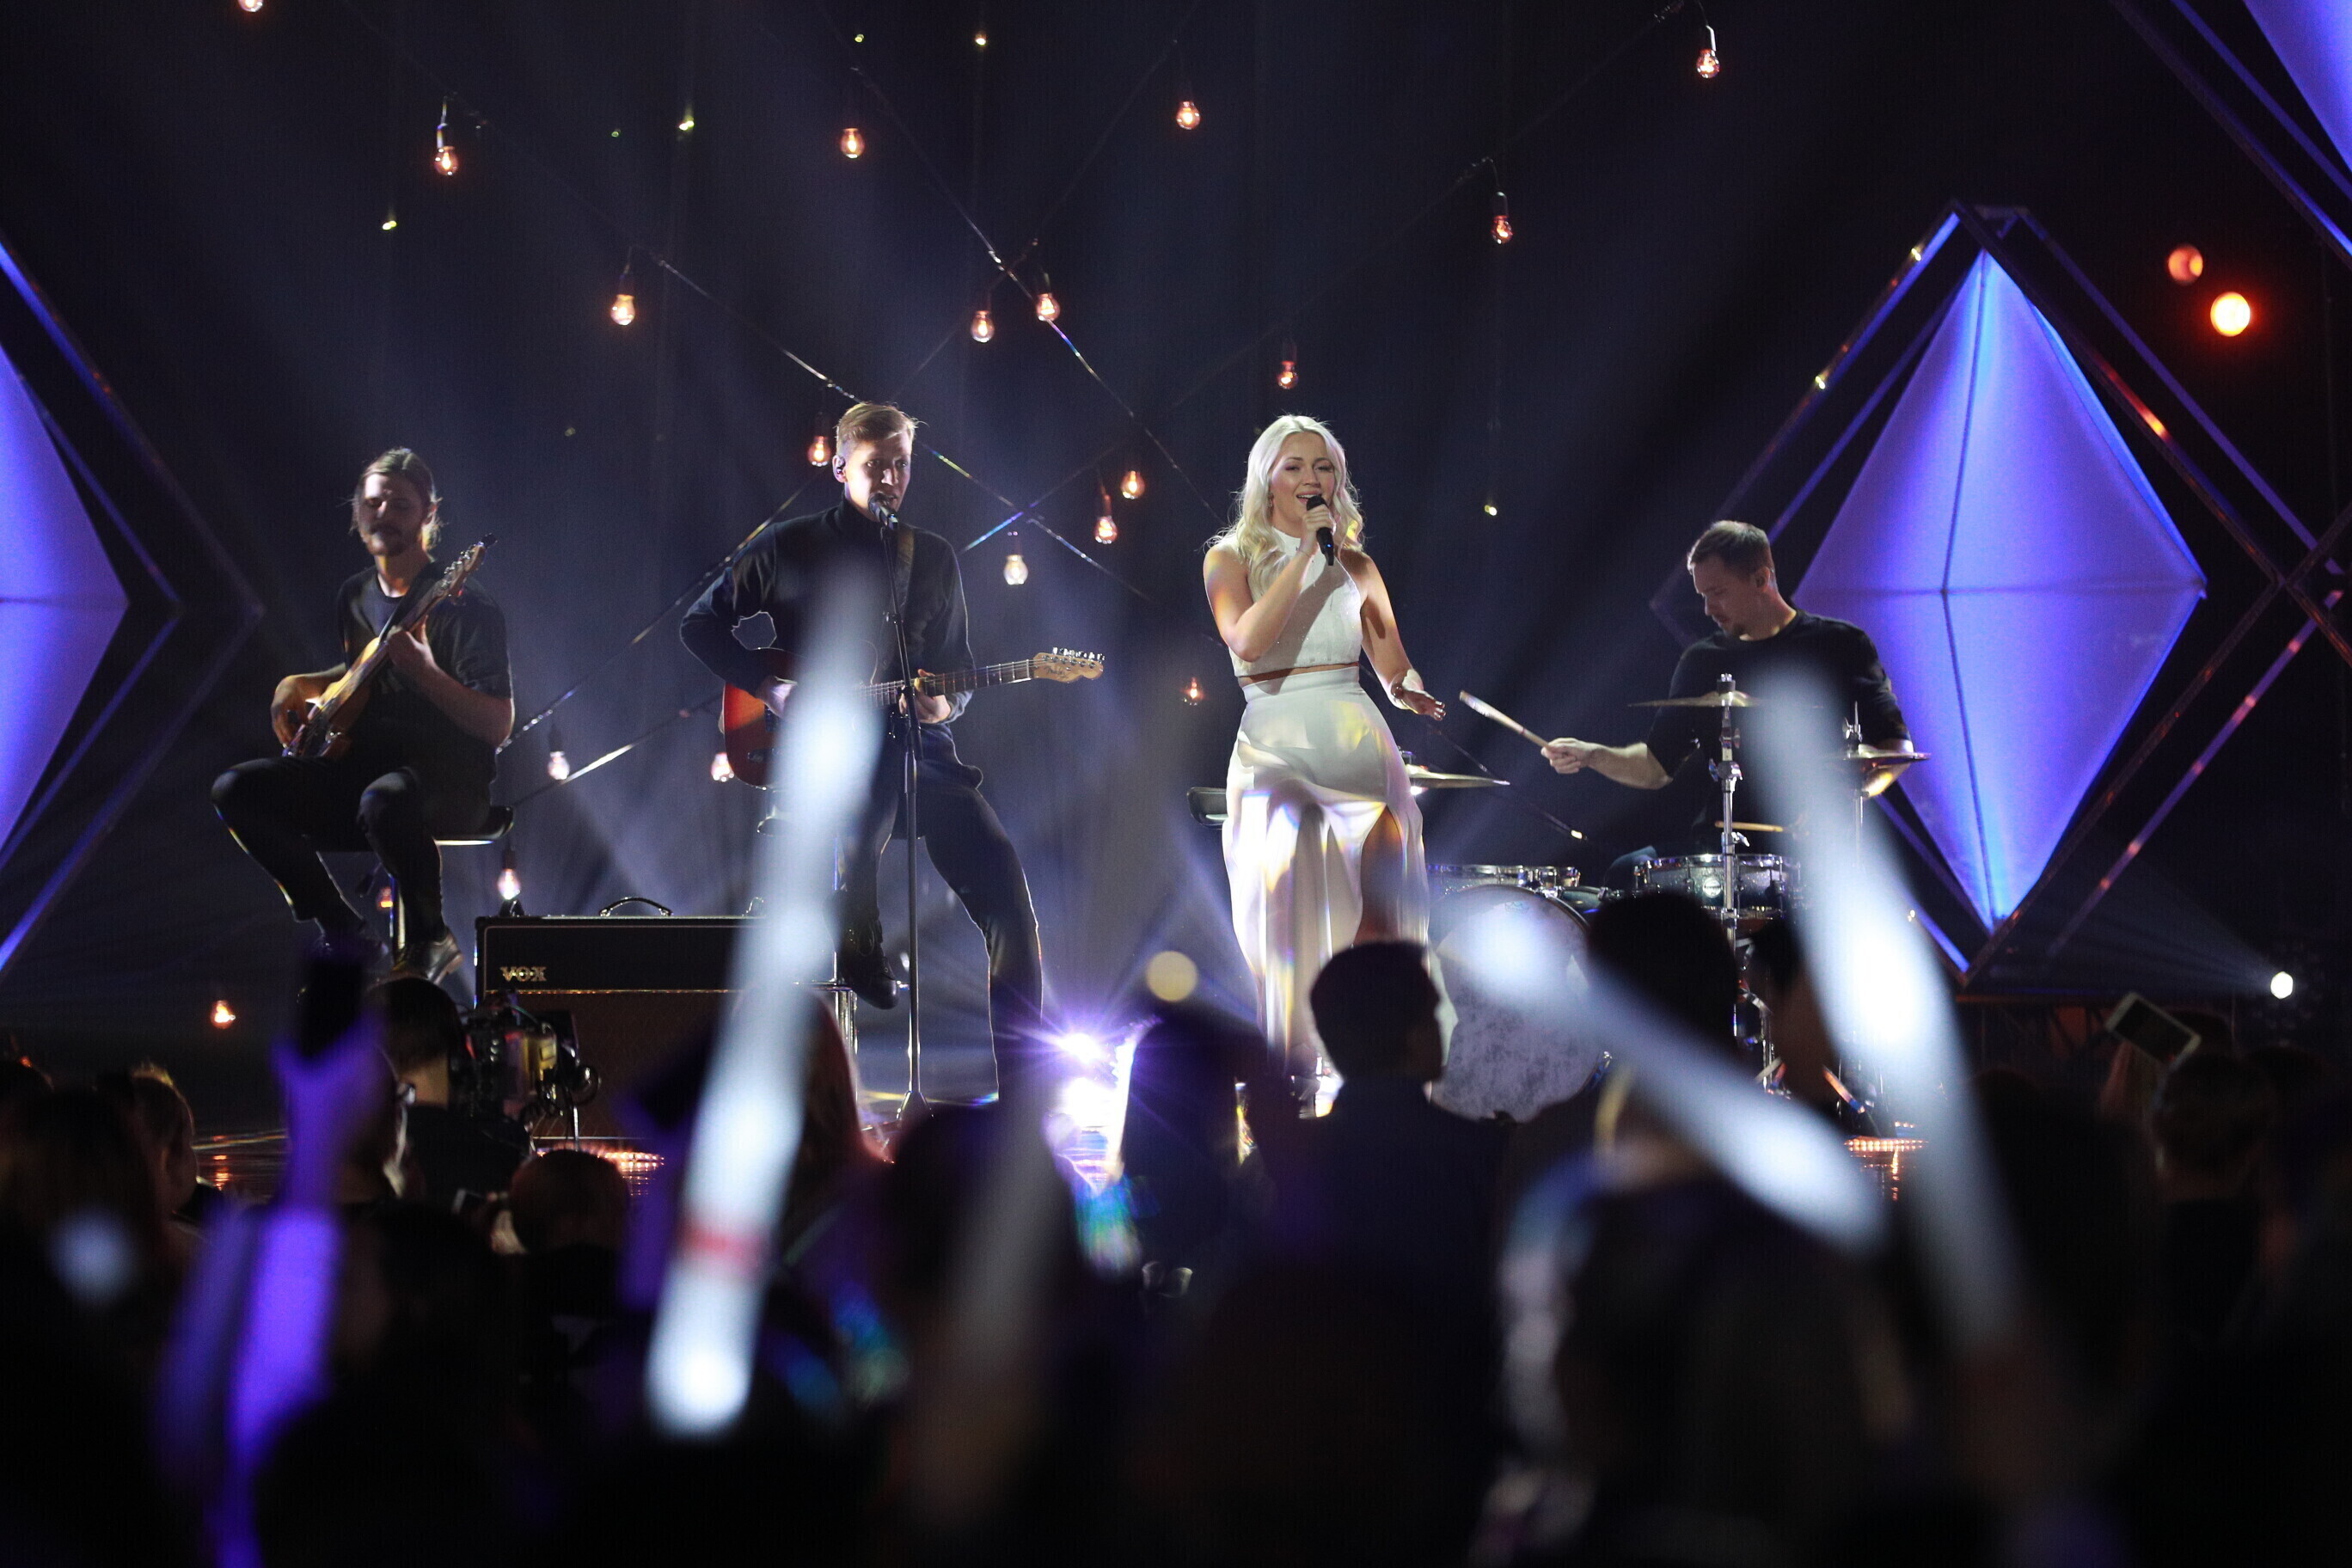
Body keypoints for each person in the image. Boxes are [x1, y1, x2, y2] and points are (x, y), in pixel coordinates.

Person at [680, 401, 1047, 1093]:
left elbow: (956, 669)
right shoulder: (788, 546)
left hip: (923, 758)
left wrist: (943, 703)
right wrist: (769, 686)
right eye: (876, 465)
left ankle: (1024, 1092)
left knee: (1007, 896)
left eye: (901, 465)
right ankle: (856, 920)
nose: (890, 479)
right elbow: (700, 625)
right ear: (840, 466)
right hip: (826, 761)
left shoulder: (930, 558)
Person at [212, 450, 512, 980]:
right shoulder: (354, 594)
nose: (383, 514)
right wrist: (298, 684)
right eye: (373, 503)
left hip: (448, 779)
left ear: (429, 514)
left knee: (383, 801)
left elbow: (496, 725)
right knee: (237, 790)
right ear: (356, 511)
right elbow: (364, 670)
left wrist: (426, 673)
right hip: (363, 768)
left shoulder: (465, 605)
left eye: (400, 504)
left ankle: (430, 937)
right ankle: (342, 930)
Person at [1204, 416, 1443, 1082]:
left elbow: (1392, 662)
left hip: (1355, 734)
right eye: (1295, 466)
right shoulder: (1229, 558)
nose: (1312, 478)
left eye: (1324, 466)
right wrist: (1306, 555)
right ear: (1268, 479)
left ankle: (1379, 1060)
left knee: (1380, 896)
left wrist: (1409, 690)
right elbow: (1247, 641)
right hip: (1275, 743)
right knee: (1289, 895)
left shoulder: (1358, 565)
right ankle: (1294, 1066)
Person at [1542, 520, 1907, 883]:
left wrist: (1846, 800)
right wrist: (1592, 754)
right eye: (1702, 595)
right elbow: (1655, 767)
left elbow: (1896, 749)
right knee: (1626, 874)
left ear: (1761, 579)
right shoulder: (1702, 660)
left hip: (1809, 850)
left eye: (1717, 593)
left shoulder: (1841, 645)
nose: (1707, 609)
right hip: (1718, 844)